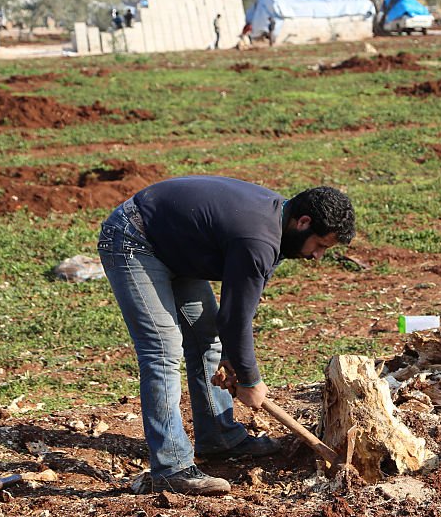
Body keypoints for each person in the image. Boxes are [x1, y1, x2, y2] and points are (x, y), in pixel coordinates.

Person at [97, 178, 355, 495]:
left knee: (207, 339)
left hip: (176, 244)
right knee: (162, 350)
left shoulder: (277, 226)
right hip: (135, 237)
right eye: (320, 246)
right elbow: (234, 319)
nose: (318, 257)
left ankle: (220, 437)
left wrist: (233, 360)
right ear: (303, 222)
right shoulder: (258, 237)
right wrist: (249, 380)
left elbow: (236, 308)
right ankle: (171, 467)